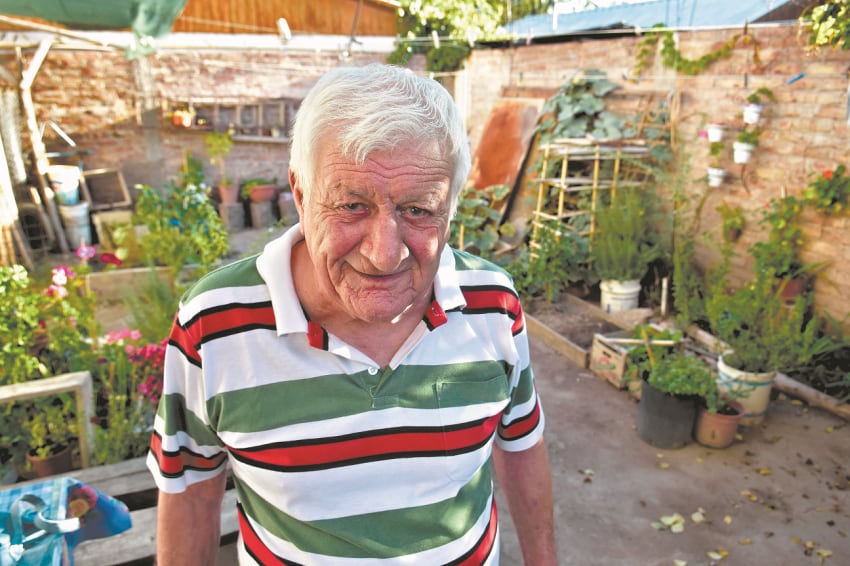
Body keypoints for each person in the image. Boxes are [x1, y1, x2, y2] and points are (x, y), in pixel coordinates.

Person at [148, 63, 556, 565]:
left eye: (418, 210)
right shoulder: (213, 325)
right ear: (300, 194)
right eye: (352, 206)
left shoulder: (494, 304)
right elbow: (190, 489)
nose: (385, 255)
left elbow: (521, 444)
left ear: (452, 206)